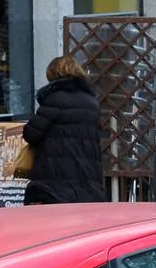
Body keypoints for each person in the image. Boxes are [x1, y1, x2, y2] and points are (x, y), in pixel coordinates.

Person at [23, 56, 106, 205]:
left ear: (53, 74)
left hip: (56, 179)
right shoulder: (92, 102)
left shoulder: (54, 99)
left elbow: (31, 134)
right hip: (86, 178)